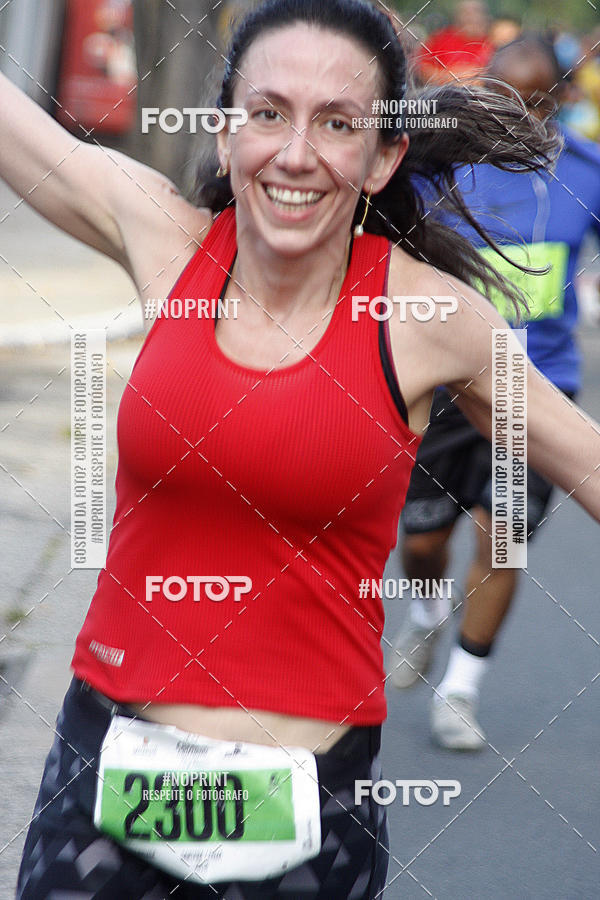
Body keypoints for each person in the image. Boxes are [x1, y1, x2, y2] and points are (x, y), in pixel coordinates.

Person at [7, 0, 599, 896]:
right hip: (103, 783)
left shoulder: (430, 318)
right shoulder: (165, 242)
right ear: (224, 134)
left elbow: (589, 464)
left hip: (309, 818)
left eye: (337, 124)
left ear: (383, 156)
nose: (294, 153)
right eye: (268, 112)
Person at [389, 35, 600, 750]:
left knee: (502, 538)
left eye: (538, 104)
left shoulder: (589, 174)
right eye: (505, 102)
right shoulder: (440, 168)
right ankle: (424, 616)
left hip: (535, 388)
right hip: (447, 384)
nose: (522, 119)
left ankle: (461, 690)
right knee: (421, 543)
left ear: (564, 102)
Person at [417, 1, 493, 84]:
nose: (471, 17)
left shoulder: (492, 43)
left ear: (484, 15)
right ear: (457, 15)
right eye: (466, 12)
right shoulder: (440, 39)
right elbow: (423, 68)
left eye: (476, 11)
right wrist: (449, 78)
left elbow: (498, 73)